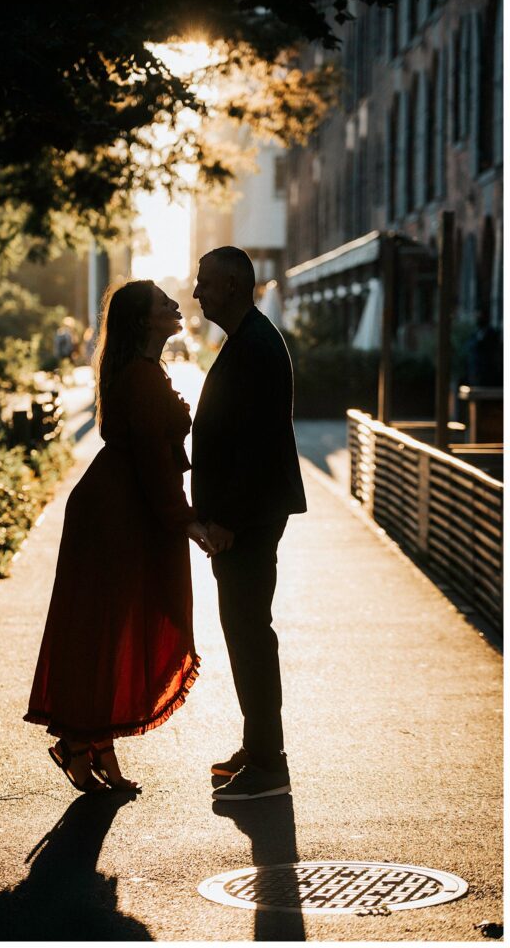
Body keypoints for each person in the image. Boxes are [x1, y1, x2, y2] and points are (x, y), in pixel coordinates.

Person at [24, 280, 214, 793]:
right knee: (106, 628)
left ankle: (90, 743)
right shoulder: (139, 376)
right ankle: (81, 743)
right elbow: (154, 458)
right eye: (163, 304)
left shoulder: (144, 370)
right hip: (118, 514)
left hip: (123, 509)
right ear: (143, 320)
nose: (177, 306)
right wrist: (187, 520)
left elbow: (154, 456)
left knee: (110, 628)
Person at [192, 246, 307, 801]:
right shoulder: (249, 341)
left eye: (205, 283)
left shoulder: (257, 345)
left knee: (250, 637)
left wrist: (228, 520)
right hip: (244, 519)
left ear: (234, 285)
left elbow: (256, 447)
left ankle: (268, 763)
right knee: (244, 635)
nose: (197, 293)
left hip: (249, 521)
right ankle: (258, 747)